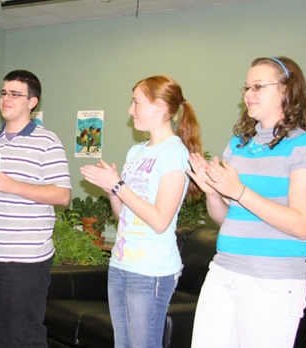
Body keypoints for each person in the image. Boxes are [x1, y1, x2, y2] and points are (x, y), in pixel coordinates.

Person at [187, 57, 306, 348]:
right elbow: (225, 218)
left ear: (287, 91)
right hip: (223, 272)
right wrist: (212, 192)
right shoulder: (237, 145)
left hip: (272, 281)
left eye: (258, 86)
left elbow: (302, 225)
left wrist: (239, 191)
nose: (248, 93)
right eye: (246, 87)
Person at [80, 75, 202, 347]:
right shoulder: (136, 151)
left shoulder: (174, 153)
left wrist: (118, 185)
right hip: (121, 264)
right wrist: (112, 188)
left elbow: (159, 220)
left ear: (159, 106)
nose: (130, 110)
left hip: (151, 270)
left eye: (136, 102)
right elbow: (123, 213)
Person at [0, 70, 71, 347]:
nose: (6, 98)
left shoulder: (48, 142)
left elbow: (62, 195)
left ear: (32, 102)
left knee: (25, 336)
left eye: (15, 94)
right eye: (3, 93)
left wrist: (14, 186)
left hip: (26, 261)